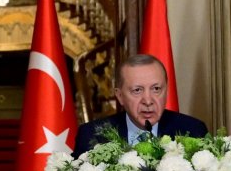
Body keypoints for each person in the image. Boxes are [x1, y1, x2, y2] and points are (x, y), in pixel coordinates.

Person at [74, 53, 209, 154]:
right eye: (137, 90)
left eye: (156, 89)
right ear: (120, 96)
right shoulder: (92, 136)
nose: (148, 101)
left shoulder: (192, 131)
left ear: (166, 91)